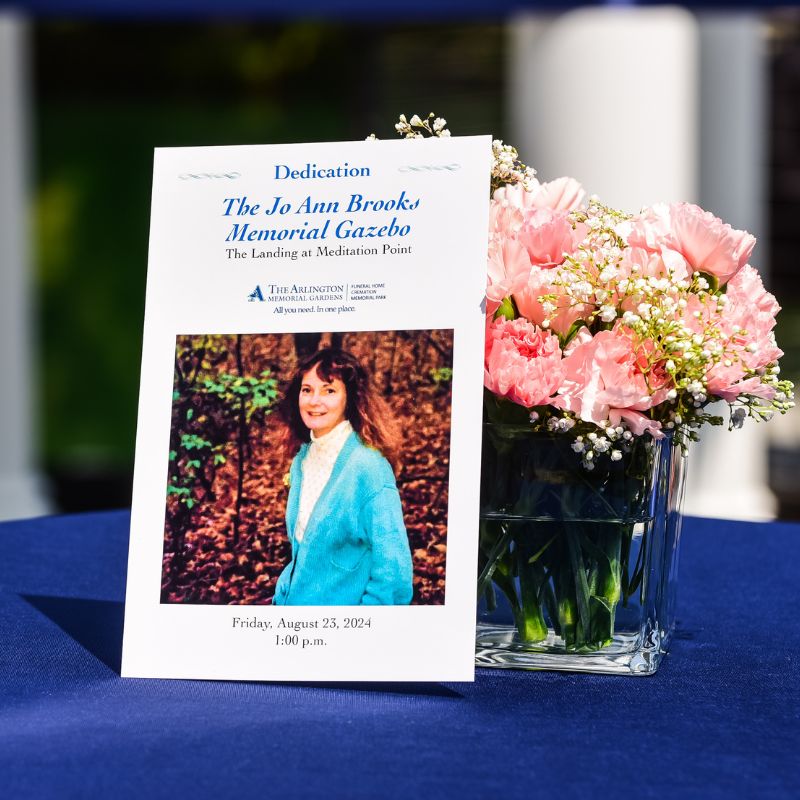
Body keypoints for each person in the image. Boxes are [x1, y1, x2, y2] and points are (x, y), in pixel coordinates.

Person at [272, 348, 413, 606]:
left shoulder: (369, 468)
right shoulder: (302, 460)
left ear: (350, 398)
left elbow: (394, 575)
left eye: (329, 390)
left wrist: (360, 630)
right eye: (307, 390)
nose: (315, 400)